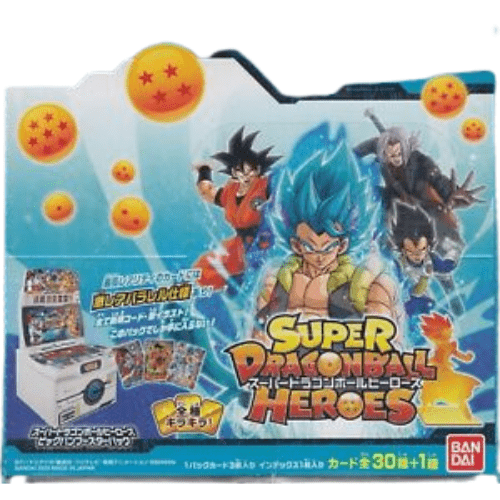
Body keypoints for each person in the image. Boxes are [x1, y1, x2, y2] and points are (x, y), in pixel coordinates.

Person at [257, 125, 400, 327]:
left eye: (328, 247)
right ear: (296, 245)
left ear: (342, 246)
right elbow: (259, 334)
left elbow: (387, 336)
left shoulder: (363, 285)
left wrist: (373, 286)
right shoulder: (278, 282)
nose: (319, 256)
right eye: (310, 247)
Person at [194, 127, 280, 290]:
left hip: (265, 244)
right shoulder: (231, 191)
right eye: (240, 170)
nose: (246, 175)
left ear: (257, 170)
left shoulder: (265, 186)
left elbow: (283, 186)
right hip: (239, 245)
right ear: (234, 171)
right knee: (204, 271)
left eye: (251, 170)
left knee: (263, 280)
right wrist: (204, 171)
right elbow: (207, 192)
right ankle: (237, 285)